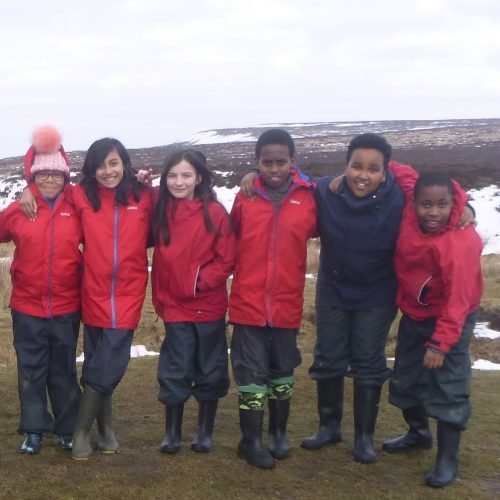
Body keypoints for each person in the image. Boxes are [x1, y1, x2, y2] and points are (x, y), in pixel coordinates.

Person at [20, 137, 152, 460]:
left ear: (125, 164)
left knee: (109, 364)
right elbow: (51, 187)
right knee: (95, 362)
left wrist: (249, 177)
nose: (108, 171)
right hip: (92, 294)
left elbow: (183, 195)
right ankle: (105, 433)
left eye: (113, 163)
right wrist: (27, 189)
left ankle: (80, 430)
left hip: (128, 295)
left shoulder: (144, 196)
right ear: (91, 171)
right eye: (100, 166)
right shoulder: (81, 196)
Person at [301, 133, 404, 464]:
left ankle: (363, 438)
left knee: (368, 360)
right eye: (356, 166)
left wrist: (464, 206)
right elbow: (290, 180)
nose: (363, 175)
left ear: (385, 172)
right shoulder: (326, 191)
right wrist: (250, 175)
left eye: (373, 169)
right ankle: (329, 427)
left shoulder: (402, 197)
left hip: (377, 293)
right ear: (345, 166)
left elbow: (442, 195)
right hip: (333, 289)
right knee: (329, 357)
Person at [382, 170, 483, 488]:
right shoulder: (409, 212)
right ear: (414, 202)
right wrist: (346, 173)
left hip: (452, 317)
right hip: (416, 313)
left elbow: (458, 301)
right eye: (426, 204)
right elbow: (398, 169)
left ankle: (448, 459)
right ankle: (419, 433)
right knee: (407, 377)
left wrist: (441, 344)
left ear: (453, 203)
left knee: (448, 385)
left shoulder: (460, 241)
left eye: (442, 204)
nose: (434, 212)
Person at [229, 129, 317, 469]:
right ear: (257, 163)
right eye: (267, 162)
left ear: (293, 161)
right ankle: (250, 441)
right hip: (248, 302)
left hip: (286, 302)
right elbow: (231, 238)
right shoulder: (245, 197)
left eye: (281, 162)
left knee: (282, 369)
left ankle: (278, 434)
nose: (274, 168)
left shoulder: (310, 196)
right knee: (251, 372)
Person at [0, 126, 82, 454]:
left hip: (66, 306)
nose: (50, 179)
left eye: (56, 174)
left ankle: (67, 429)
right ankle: (33, 430)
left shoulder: (77, 206)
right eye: (43, 173)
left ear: (65, 176)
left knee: (63, 370)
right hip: (27, 308)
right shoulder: (20, 209)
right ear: (34, 176)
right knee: (31, 371)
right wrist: (24, 191)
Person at [151, 149, 236, 454]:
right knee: (175, 366)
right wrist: (141, 181)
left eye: (186, 175)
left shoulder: (214, 212)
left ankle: (204, 432)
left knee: (210, 366)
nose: (179, 182)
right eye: (172, 175)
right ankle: (172, 433)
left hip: (208, 305)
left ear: (199, 177)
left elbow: (227, 258)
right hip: (173, 305)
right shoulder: (161, 208)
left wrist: (198, 282)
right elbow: (132, 197)